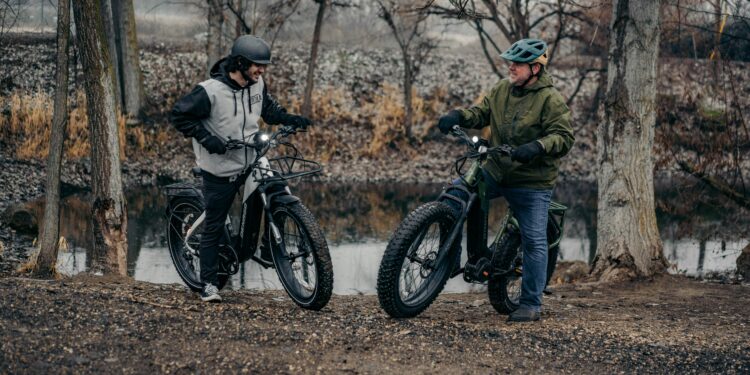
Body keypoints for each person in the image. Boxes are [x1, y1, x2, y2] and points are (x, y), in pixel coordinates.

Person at [437, 38, 574, 322]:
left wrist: (536, 147)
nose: (510, 66)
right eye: (510, 62)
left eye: (518, 63)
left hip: (531, 181)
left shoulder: (551, 99)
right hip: (497, 170)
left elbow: (564, 137)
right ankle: (449, 257)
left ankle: (531, 304)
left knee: (534, 240)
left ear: (535, 68)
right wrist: (457, 115)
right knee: (457, 193)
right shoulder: (502, 89)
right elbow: (481, 112)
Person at [170, 35, 311, 302]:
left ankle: (272, 249)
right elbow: (179, 115)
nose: (262, 70)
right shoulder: (209, 91)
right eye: (258, 65)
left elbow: (268, 111)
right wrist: (207, 139)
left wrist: (290, 118)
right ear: (241, 63)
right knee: (214, 223)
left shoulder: (256, 84)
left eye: (264, 66)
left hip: (252, 157)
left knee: (277, 187)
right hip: (220, 166)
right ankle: (209, 283)